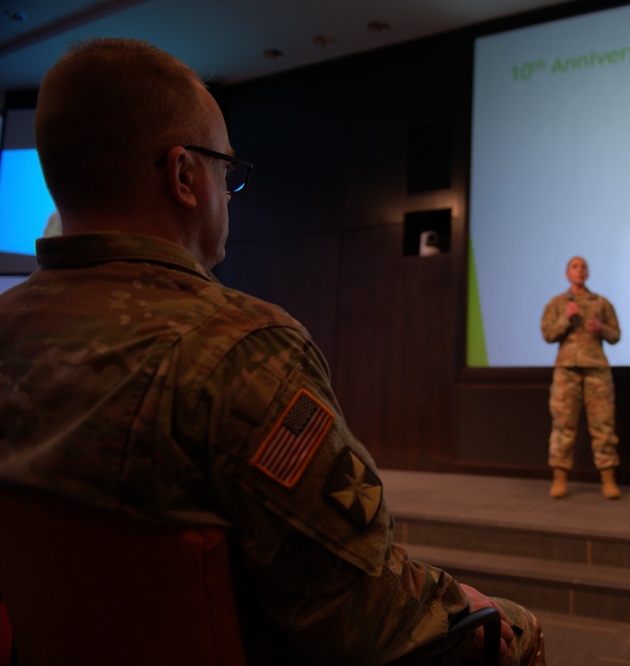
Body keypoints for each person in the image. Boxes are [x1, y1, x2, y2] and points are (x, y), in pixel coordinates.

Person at [0, 38, 545, 665]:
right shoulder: (240, 349)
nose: (228, 194)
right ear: (183, 175)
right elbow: (360, 614)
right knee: (512, 631)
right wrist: (461, 603)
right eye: (223, 170)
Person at [540, 256, 622, 500]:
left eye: (583, 267)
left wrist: (601, 329)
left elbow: (616, 335)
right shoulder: (557, 304)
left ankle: (608, 479)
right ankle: (560, 478)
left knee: (603, 425)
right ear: (567, 273)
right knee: (563, 424)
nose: (579, 270)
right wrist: (565, 318)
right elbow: (548, 334)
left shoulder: (601, 303)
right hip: (567, 370)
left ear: (588, 273)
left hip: (596, 368)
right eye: (574, 267)